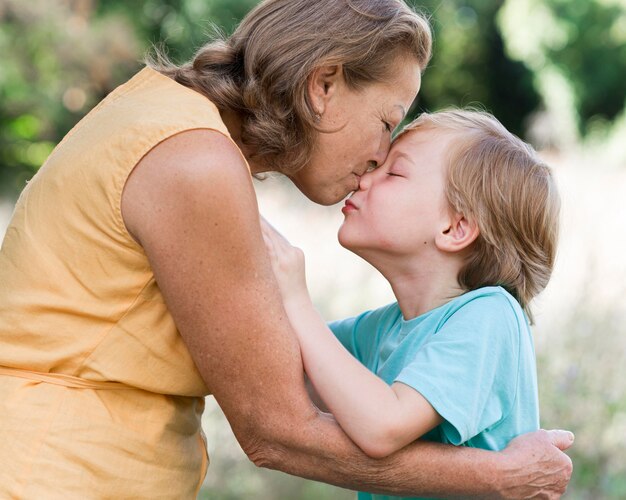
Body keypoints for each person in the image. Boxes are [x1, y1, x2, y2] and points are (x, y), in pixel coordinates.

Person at [0, 0, 572, 498]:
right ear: (322, 85)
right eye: (386, 122)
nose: (379, 154)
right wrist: (499, 475)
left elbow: (296, 367)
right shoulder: (194, 160)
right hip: (51, 472)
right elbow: (276, 427)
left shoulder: (164, 118)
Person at [262, 108, 565, 500]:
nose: (365, 177)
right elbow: (290, 363)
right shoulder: (385, 327)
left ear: (455, 228)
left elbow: (383, 426)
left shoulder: (491, 315)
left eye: (394, 173)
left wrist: (295, 297)